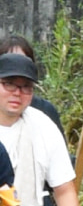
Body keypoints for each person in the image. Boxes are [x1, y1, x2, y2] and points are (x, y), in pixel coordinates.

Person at [0, 53, 75, 206]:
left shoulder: (43, 127)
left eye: (26, 87)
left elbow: (64, 190)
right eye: (9, 84)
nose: (17, 93)